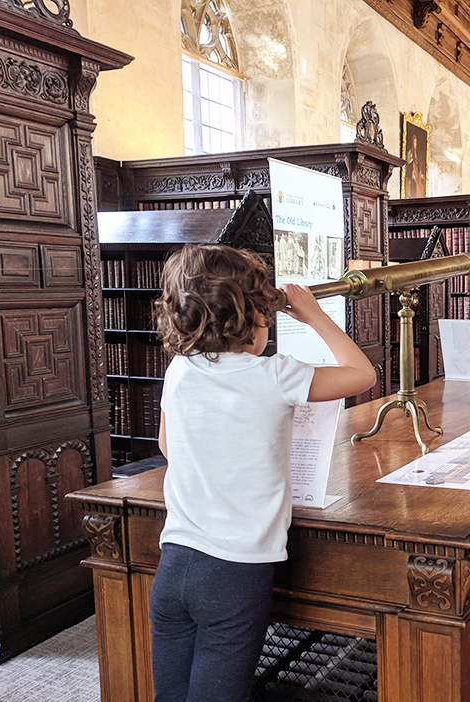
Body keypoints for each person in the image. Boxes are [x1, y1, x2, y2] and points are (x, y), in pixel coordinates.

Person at [149, 244, 376, 702]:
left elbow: (166, 446)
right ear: (249, 316)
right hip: (234, 574)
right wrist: (313, 315)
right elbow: (362, 372)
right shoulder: (274, 375)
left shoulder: (179, 370)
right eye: (264, 314)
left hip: (174, 563)